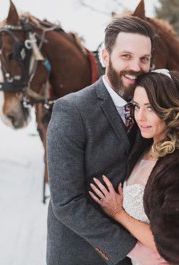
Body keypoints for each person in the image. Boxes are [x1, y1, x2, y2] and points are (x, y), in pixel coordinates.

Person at [46, 16, 166, 265]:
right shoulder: (71, 111)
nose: (136, 67)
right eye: (126, 56)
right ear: (105, 56)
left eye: (144, 59)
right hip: (82, 255)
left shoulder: (149, 110)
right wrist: (132, 249)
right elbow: (66, 203)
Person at [90, 70, 179, 265]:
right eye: (137, 106)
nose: (140, 116)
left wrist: (118, 213)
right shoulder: (144, 145)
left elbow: (178, 247)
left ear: (172, 109)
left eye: (151, 108)